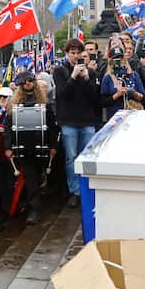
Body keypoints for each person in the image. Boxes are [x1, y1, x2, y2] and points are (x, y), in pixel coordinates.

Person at [52, 39, 101, 208]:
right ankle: (75, 191)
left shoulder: (91, 73)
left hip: (87, 120)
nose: (75, 56)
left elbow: (95, 98)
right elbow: (62, 95)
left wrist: (87, 79)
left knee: (87, 157)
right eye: (72, 53)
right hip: (68, 121)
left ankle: (88, 189)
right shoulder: (59, 71)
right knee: (71, 158)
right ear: (67, 54)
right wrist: (73, 77)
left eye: (78, 53)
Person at [8, 71, 59, 225]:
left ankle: (38, 205)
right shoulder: (14, 105)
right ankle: (33, 209)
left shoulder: (44, 104)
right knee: (30, 179)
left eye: (30, 80)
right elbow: (9, 127)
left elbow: (52, 127)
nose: (28, 83)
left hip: (42, 146)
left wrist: (53, 146)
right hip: (23, 147)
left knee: (40, 176)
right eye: (24, 82)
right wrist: (7, 147)